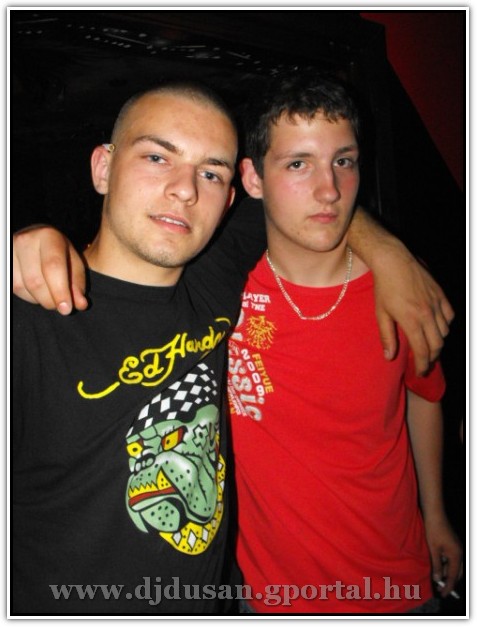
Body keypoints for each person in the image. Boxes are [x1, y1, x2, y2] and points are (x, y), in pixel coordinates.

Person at [11, 78, 455, 616]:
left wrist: (391, 254)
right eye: (157, 157)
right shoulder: (27, 321)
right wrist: (29, 234)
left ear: (229, 197)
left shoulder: (217, 277)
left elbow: (318, 203)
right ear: (103, 168)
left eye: (210, 172)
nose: (185, 190)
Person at [227, 70, 462, 614]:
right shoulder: (221, 290)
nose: (329, 190)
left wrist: (436, 514)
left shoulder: (403, 290)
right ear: (253, 177)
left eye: (344, 161)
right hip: (273, 597)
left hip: (397, 587)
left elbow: (423, 396)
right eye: (298, 164)